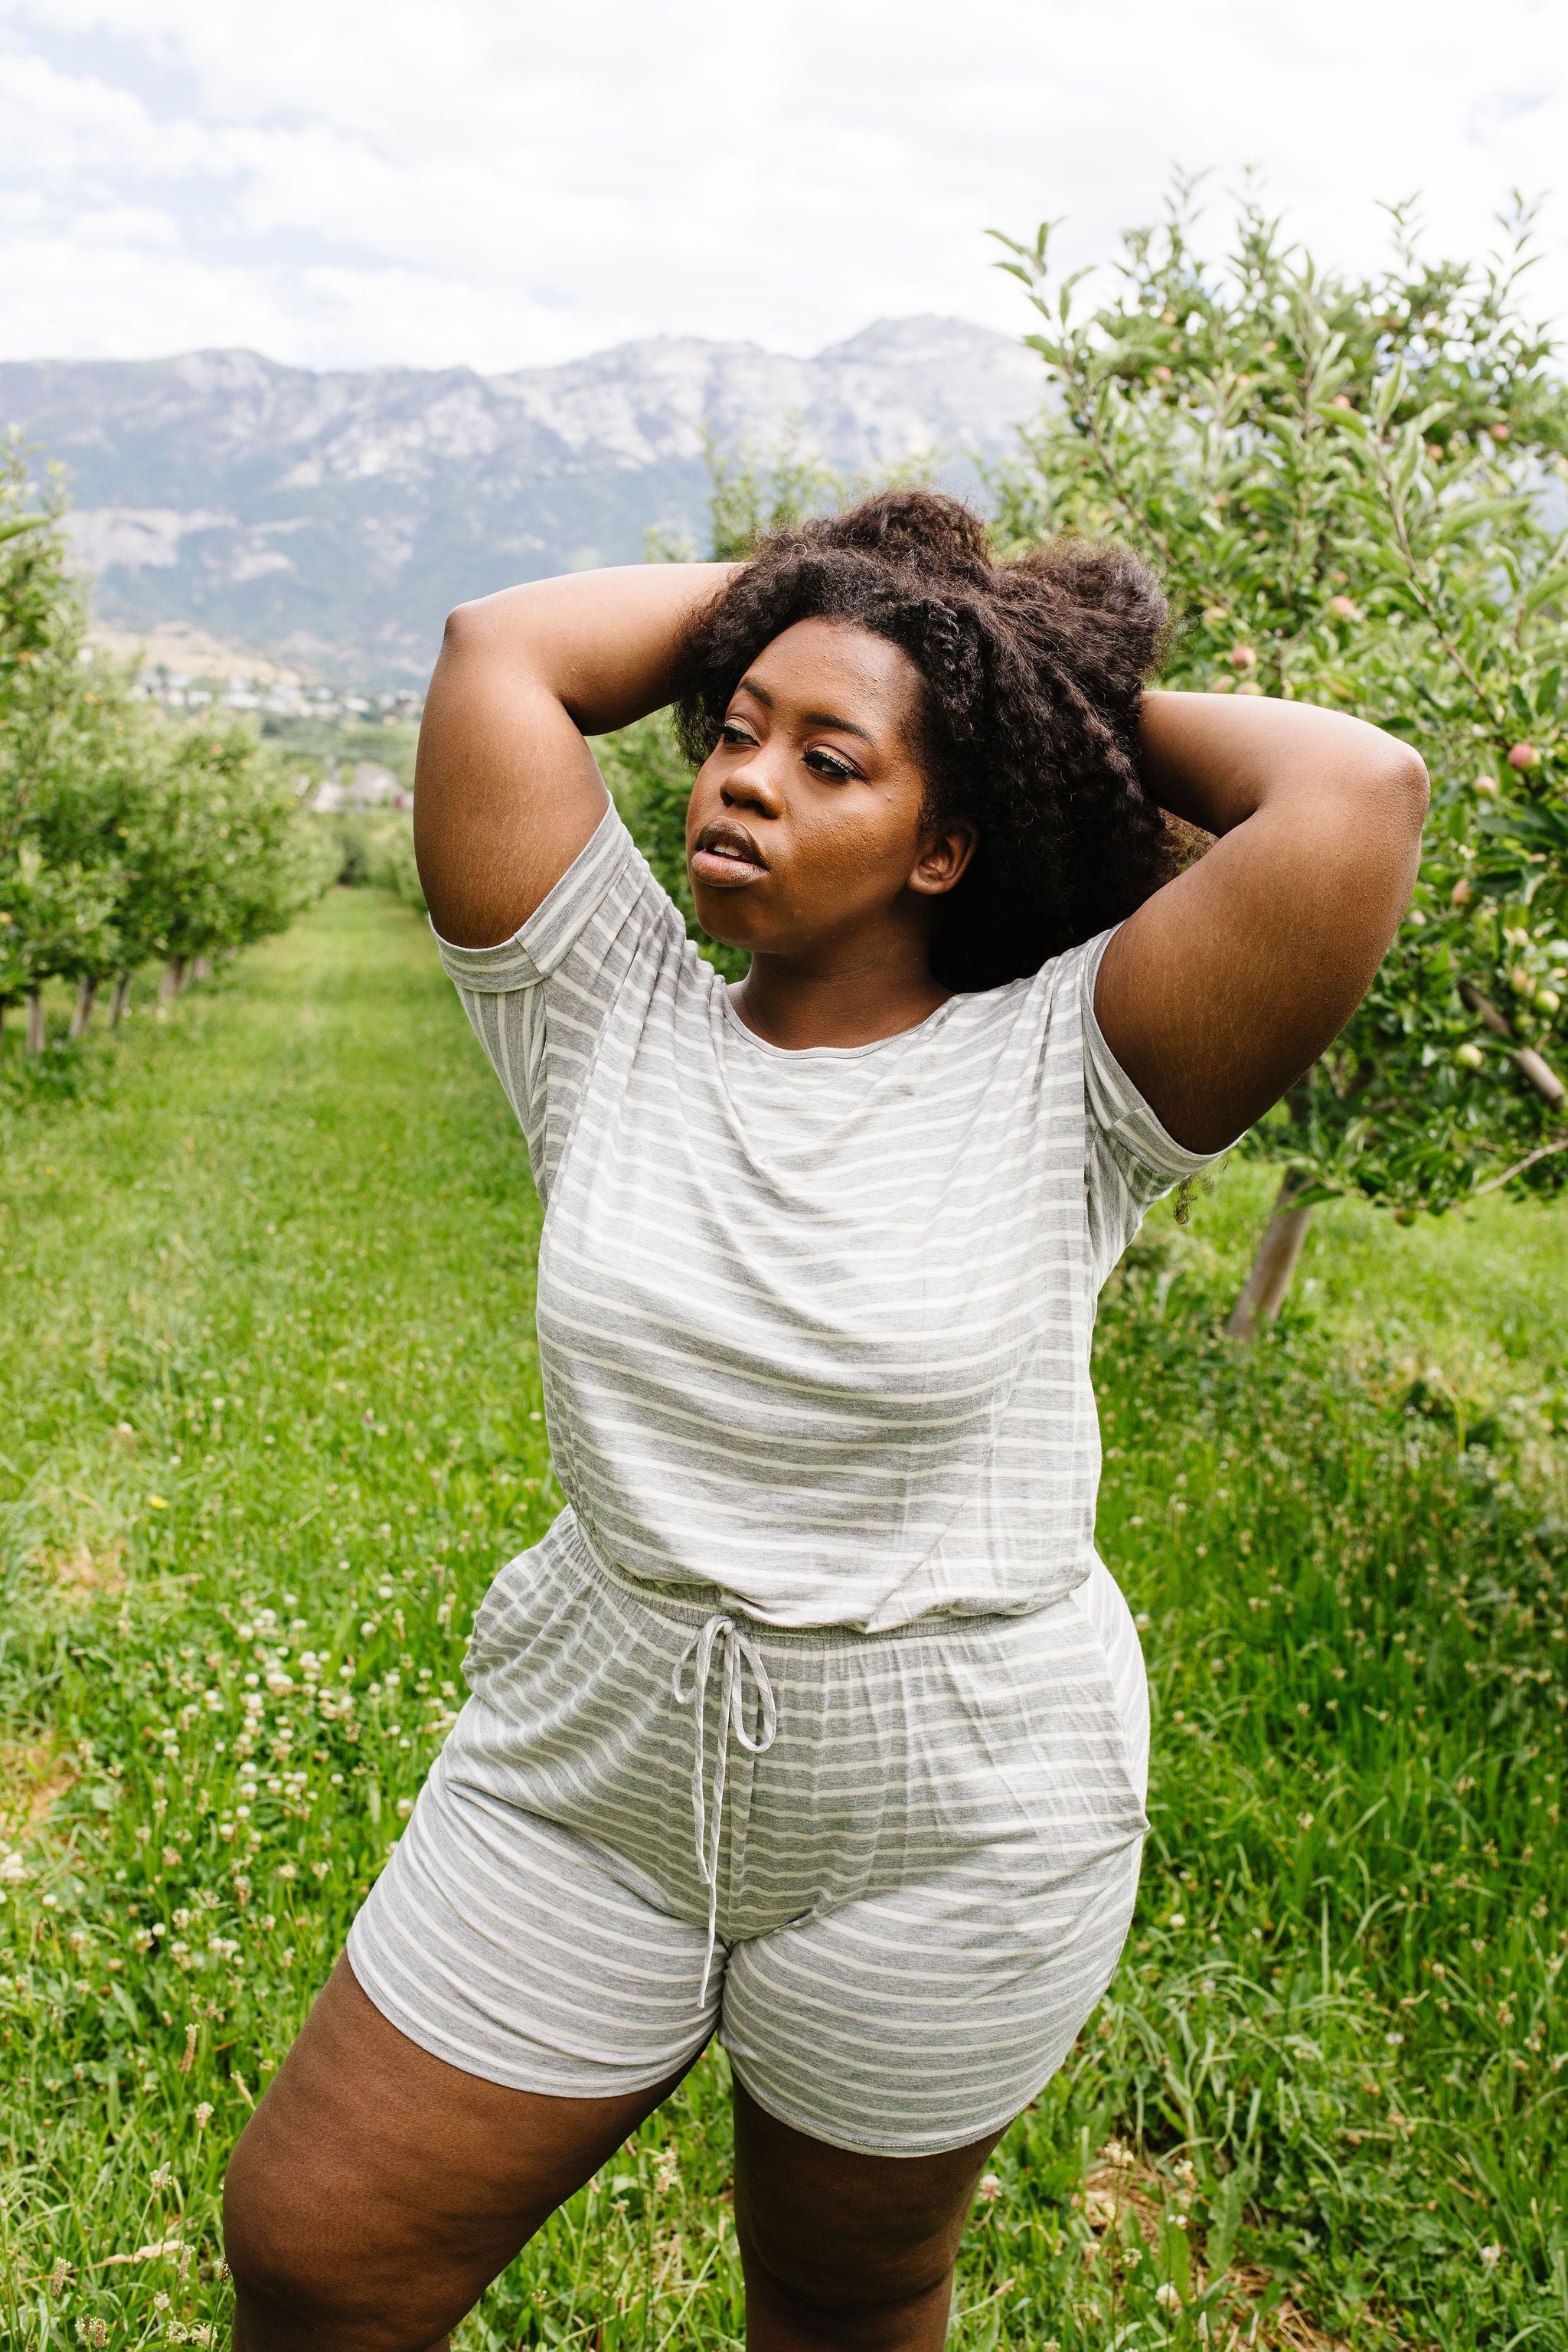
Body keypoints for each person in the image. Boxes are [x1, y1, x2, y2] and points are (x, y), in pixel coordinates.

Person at [223, 492, 1426, 2350]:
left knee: (844, 2299)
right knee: (317, 2253)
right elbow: (499, 653)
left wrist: (1016, 666)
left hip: (952, 1803)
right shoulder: (604, 1011)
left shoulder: (1069, 1067)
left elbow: (1357, 793)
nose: (741, 779)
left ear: (947, 841)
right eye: (730, 730)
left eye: (828, 759)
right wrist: (844, 605)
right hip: (592, 1763)